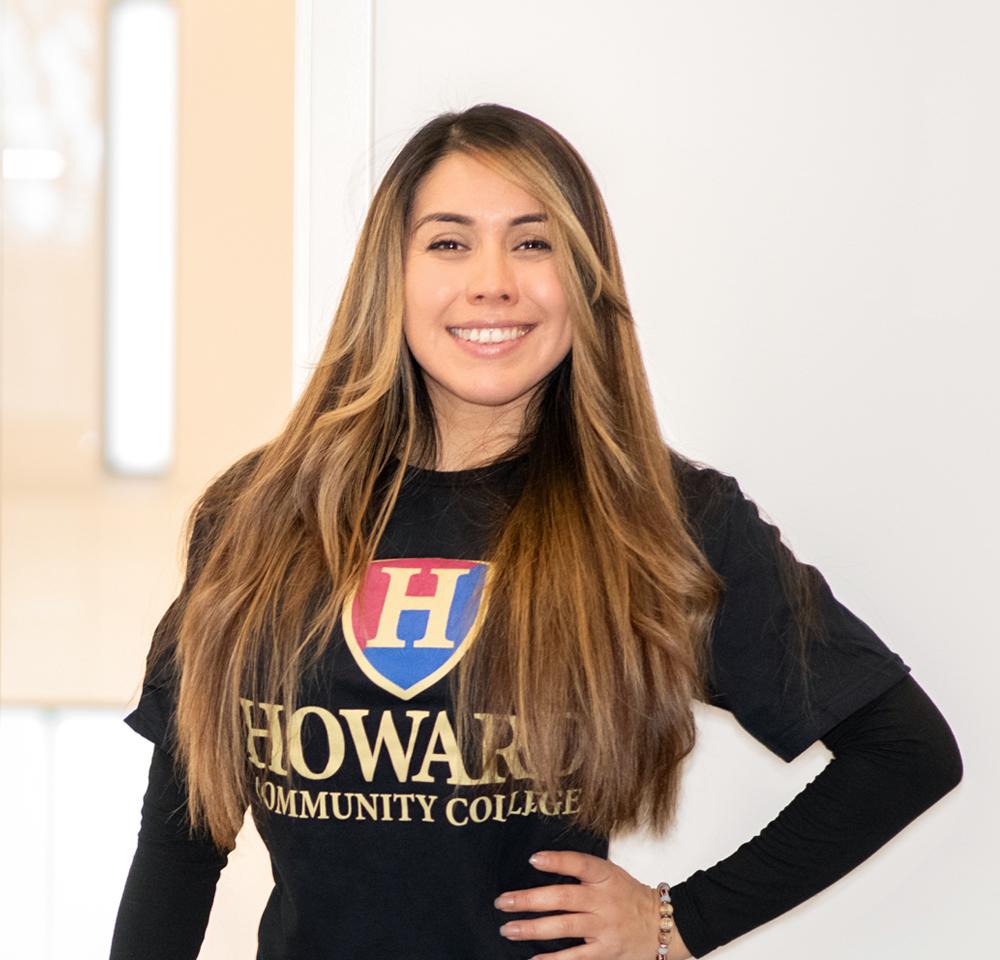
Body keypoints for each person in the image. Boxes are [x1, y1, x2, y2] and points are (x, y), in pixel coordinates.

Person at [111, 104, 961, 960]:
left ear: (583, 279)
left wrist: (680, 921)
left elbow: (904, 752)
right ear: (390, 275)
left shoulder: (657, 520)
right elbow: (182, 839)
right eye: (449, 242)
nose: (493, 282)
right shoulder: (260, 514)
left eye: (533, 242)